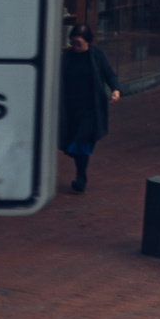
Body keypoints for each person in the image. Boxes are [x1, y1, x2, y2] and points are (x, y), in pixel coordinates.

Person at [56, 25, 121, 193]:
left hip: (91, 108)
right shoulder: (66, 57)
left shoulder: (97, 56)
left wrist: (115, 90)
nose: (75, 47)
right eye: (73, 43)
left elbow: (109, 75)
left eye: (79, 43)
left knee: (81, 141)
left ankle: (80, 178)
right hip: (70, 108)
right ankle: (80, 173)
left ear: (88, 42)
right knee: (73, 142)